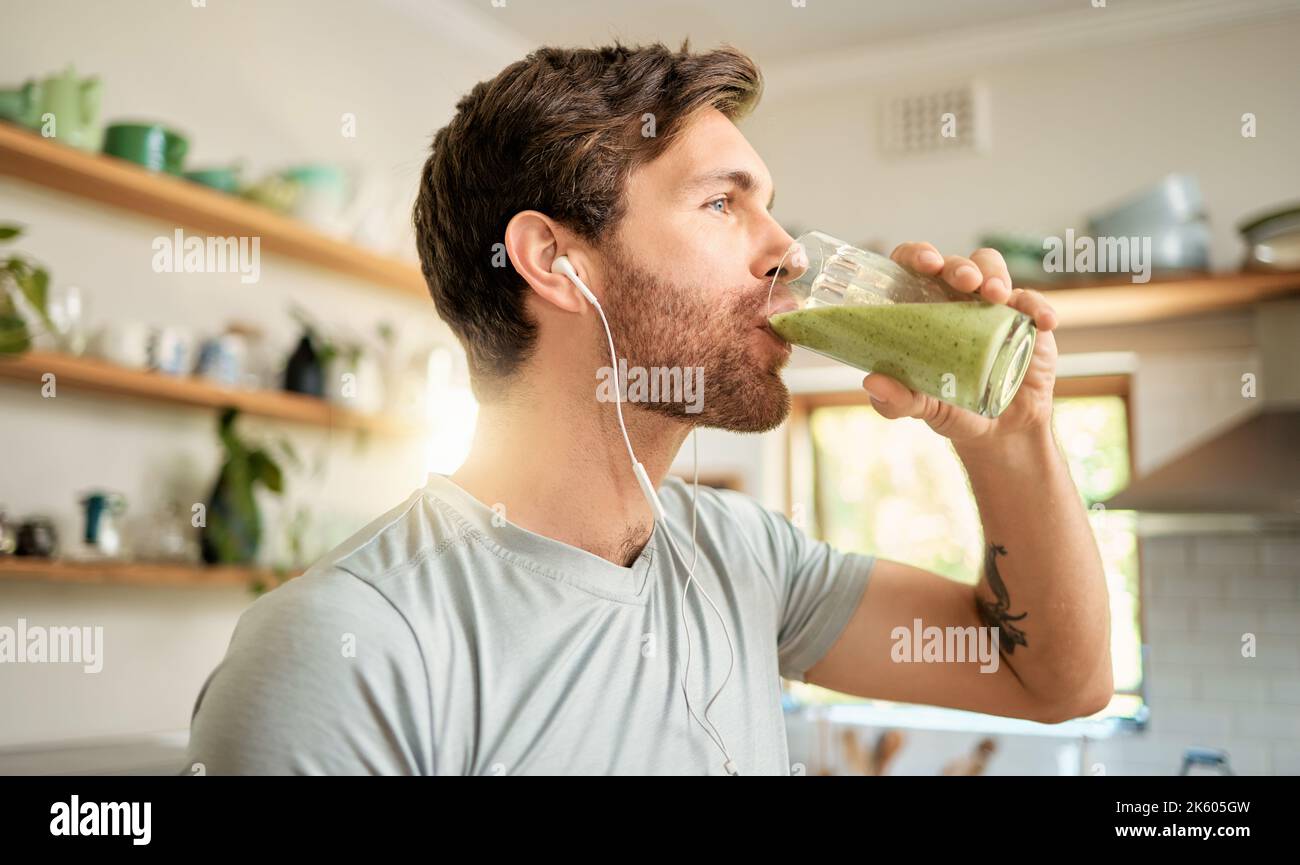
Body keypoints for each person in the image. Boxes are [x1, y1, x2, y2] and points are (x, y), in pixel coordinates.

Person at [186, 41, 1112, 776]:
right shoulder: (347, 648)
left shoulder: (745, 559)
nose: (787, 250)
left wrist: (1012, 437)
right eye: (722, 204)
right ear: (553, 261)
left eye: (772, 210)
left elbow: (1057, 680)